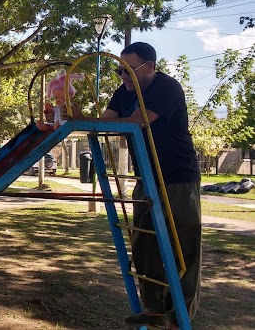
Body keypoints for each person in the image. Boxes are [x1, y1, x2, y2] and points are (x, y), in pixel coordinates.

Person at [53, 42, 201, 330]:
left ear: (149, 67)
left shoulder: (167, 88)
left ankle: (179, 315)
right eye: (119, 69)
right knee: (144, 244)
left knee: (182, 247)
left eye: (128, 70)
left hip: (177, 178)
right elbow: (106, 122)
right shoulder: (124, 91)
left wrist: (97, 121)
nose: (122, 75)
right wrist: (76, 115)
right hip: (147, 176)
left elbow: (136, 122)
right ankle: (154, 310)